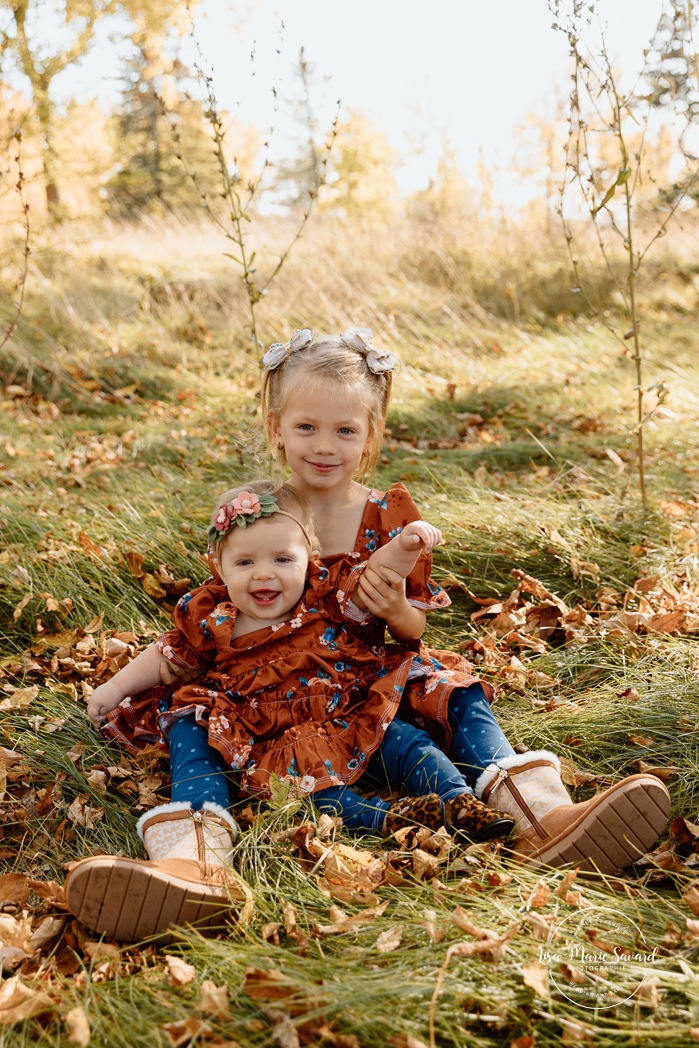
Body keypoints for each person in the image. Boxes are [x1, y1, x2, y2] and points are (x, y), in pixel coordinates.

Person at [153, 327, 671, 880]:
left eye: (344, 430)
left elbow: (411, 627)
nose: (324, 445)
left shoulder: (384, 515)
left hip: (370, 668)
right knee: (196, 721)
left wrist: (397, 608)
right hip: (286, 688)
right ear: (276, 429)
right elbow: (225, 594)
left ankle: (536, 814)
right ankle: (194, 859)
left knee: (454, 690)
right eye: (306, 427)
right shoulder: (261, 509)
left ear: (369, 435)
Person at [66, 481, 514, 942]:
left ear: (309, 556)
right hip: (276, 745)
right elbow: (166, 659)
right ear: (217, 566)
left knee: (406, 742)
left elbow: (376, 576)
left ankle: (458, 800)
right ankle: (386, 819)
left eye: (283, 559)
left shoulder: (325, 595)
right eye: (245, 562)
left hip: (352, 712)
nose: (265, 575)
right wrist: (113, 687)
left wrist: (406, 545)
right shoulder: (211, 616)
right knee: (310, 797)